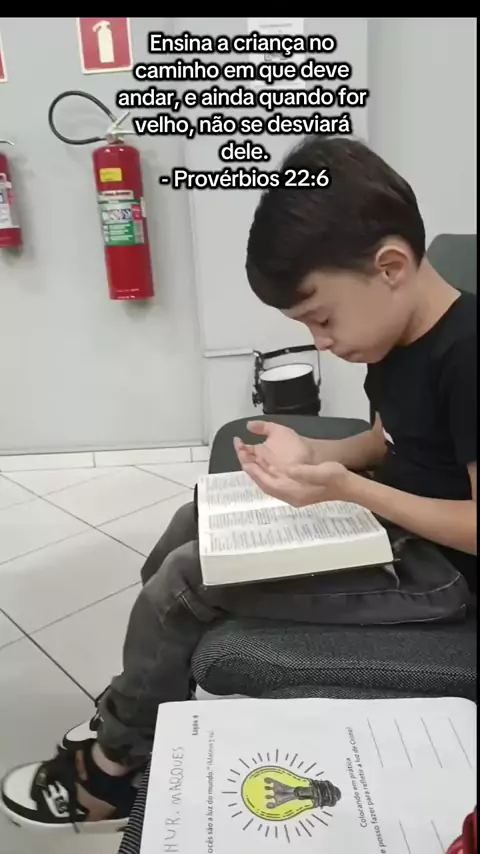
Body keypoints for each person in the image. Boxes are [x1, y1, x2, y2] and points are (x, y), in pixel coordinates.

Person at [1, 136, 476, 831]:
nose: (322, 342)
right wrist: (313, 457)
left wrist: (351, 490)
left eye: (322, 317)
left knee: (187, 582)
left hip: (445, 575)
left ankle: (113, 770)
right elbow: (387, 441)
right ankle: (143, 699)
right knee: (195, 520)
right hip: (394, 532)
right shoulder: (397, 337)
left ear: (391, 267)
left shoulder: (467, 354)